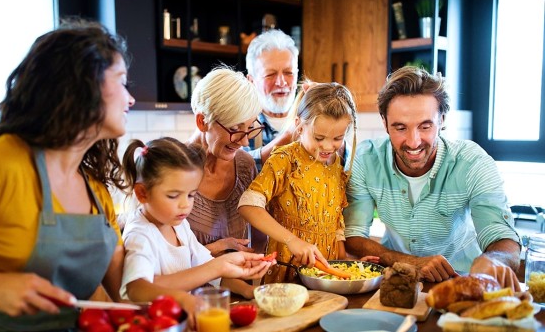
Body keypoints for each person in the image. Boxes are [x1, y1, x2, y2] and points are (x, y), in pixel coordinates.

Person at [0, 20, 133, 330]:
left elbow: (105, 298)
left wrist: (166, 310)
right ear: (81, 83)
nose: (131, 98)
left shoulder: (95, 191)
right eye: (122, 80)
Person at [343, 66, 522, 290]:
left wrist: (493, 261)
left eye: (425, 126)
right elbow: (353, 237)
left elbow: (502, 236)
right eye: (400, 128)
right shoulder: (366, 159)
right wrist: (410, 262)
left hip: (462, 283)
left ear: (442, 120)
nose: (414, 141)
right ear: (384, 123)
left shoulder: (473, 162)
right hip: (394, 283)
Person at [238, 82, 379, 284]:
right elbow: (247, 205)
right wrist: (292, 240)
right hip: (288, 271)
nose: (328, 147)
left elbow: (336, 228)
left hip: (326, 275)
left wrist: (348, 266)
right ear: (299, 125)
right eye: (319, 137)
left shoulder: (337, 167)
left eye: (338, 138)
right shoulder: (285, 160)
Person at [119, 138, 273, 306]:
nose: (185, 205)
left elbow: (209, 271)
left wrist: (247, 290)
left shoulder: (179, 225)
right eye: (173, 196)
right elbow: (136, 289)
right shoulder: (140, 234)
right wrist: (184, 298)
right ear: (142, 193)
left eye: (191, 195)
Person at [186, 67, 268, 257]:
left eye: (249, 128)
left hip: (238, 286)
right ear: (202, 121)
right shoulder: (171, 168)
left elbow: (258, 239)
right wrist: (212, 250)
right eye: (234, 128)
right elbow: (160, 263)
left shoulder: (245, 166)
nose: (245, 141)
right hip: (185, 287)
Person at [245, 29, 300, 171]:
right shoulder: (241, 125)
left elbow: (347, 163)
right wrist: (288, 137)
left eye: (289, 73)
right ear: (251, 81)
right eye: (270, 74)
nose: (281, 82)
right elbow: (238, 169)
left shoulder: (310, 116)